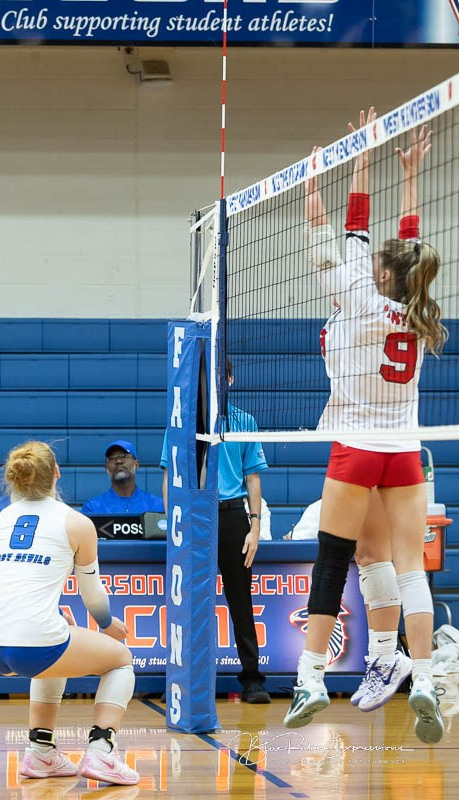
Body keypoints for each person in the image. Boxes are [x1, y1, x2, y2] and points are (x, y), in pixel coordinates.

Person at [284, 114, 445, 743]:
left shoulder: (354, 293)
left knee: (333, 559)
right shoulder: (419, 308)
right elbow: (408, 248)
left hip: (355, 447)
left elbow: (344, 227)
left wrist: (353, 161)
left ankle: (310, 677)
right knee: (403, 566)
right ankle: (417, 673)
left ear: (378, 273)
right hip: (404, 452)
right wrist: (410, 178)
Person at [0, 442, 138, 786]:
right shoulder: (77, 523)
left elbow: (20, 585)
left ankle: (41, 752)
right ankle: (102, 750)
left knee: (53, 639)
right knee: (121, 660)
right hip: (31, 640)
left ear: (14, 478)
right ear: (57, 473)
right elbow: (92, 595)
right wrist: (107, 623)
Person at [161, 358, 269, 704]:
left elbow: (253, 477)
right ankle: (185, 679)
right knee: (190, 602)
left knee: (241, 601)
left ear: (230, 380)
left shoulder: (244, 422)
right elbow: (169, 476)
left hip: (233, 515)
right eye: (208, 378)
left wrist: (255, 525)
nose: (214, 383)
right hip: (194, 516)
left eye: (221, 377)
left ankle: (252, 680)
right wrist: (175, 523)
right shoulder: (181, 423)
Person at [80, 440, 164, 515]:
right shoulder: (92, 508)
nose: (118, 461)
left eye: (124, 456)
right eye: (112, 458)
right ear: (106, 468)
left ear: (136, 464)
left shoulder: (158, 506)